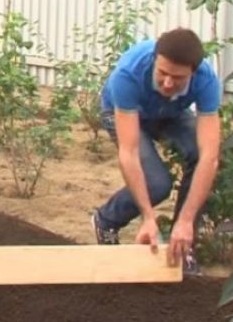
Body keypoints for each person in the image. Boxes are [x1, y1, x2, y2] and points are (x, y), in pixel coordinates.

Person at [90, 28, 221, 275]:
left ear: (193, 72)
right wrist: (148, 218)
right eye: (162, 73)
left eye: (178, 78)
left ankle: (182, 244)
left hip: (170, 112)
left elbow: (209, 158)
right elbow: (128, 153)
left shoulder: (207, 81)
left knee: (197, 150)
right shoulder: (128, 74)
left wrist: (185, 221)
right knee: (157, 184)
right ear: (154, 61)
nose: (168, 83)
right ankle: (107, 220)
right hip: (125, 112)